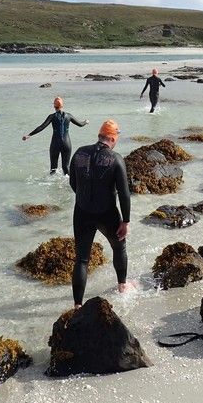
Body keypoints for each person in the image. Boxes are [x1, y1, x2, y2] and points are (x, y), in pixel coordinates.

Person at [68, 119, 132, 308]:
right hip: (107, 213)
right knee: (119, 247)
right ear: (113, 138)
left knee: (81, 259)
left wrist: (86, 200)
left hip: (82, 212)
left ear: (99, 136)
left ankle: (77, 306)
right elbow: (124, 193)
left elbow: (73, 184)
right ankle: (122, 286)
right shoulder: (116, 159)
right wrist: (125, 221)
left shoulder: (80, 153)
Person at [22, 97, 88, 174]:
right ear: (62, 106)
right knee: (66, 167)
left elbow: (41, 127)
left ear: (54, 106)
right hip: (67, 143)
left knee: (53, 169)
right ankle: (69, 185)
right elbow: (80, 124)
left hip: (55, 143)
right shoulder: (69, 116)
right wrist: (85, 121)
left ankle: (51, 185)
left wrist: (29, 135)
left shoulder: (52, 116)